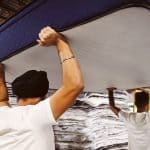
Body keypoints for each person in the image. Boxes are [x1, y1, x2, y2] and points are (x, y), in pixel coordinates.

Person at [0, 26, 84, 150]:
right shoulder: (35, 116)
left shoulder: (4, 115)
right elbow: (74, 85)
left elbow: (2, 100)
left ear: (17, 94)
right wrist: (60, 41)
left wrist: (0, 74)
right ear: (43, 97)